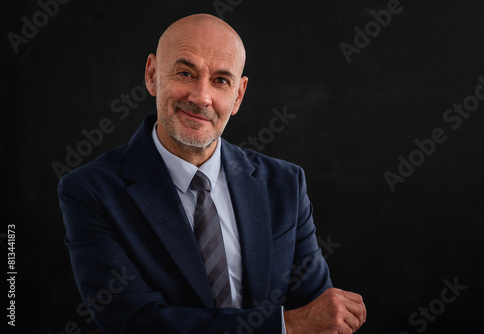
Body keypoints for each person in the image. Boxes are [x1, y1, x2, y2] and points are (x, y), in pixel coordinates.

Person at [58, 13, 367, 334]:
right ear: (152, 75)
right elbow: (135, 323)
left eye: (220, 80)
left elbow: (318, 315)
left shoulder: (285, 184)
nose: (201, 97)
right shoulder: (91, 191)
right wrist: (285, 325)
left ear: (238, 95)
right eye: (185, 72)